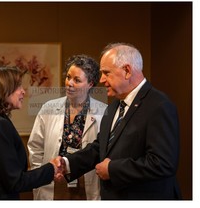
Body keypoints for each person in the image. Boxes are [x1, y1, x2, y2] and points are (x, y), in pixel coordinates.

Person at [61, 43, 181, 200]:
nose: (101, 80)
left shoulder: (159, 105)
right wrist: (67, 163)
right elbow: (100, 148)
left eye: (106, 73)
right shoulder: (114, 106)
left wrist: (112, 169)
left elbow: (162, 163)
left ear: (127, 71)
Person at [0, 65, 62, 200]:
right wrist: (52, 168)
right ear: (2, 90)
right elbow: (15, 182)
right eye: (18, 86)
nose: (23, 92)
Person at [27, 54, 108, 200]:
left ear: (90, 84)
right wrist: (40, 177)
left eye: (77, 80)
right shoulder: (49, 108)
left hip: (87, 183)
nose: (69, 83)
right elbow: (36, 149)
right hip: (53, 180)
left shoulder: (103, 112)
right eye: (68, 77)